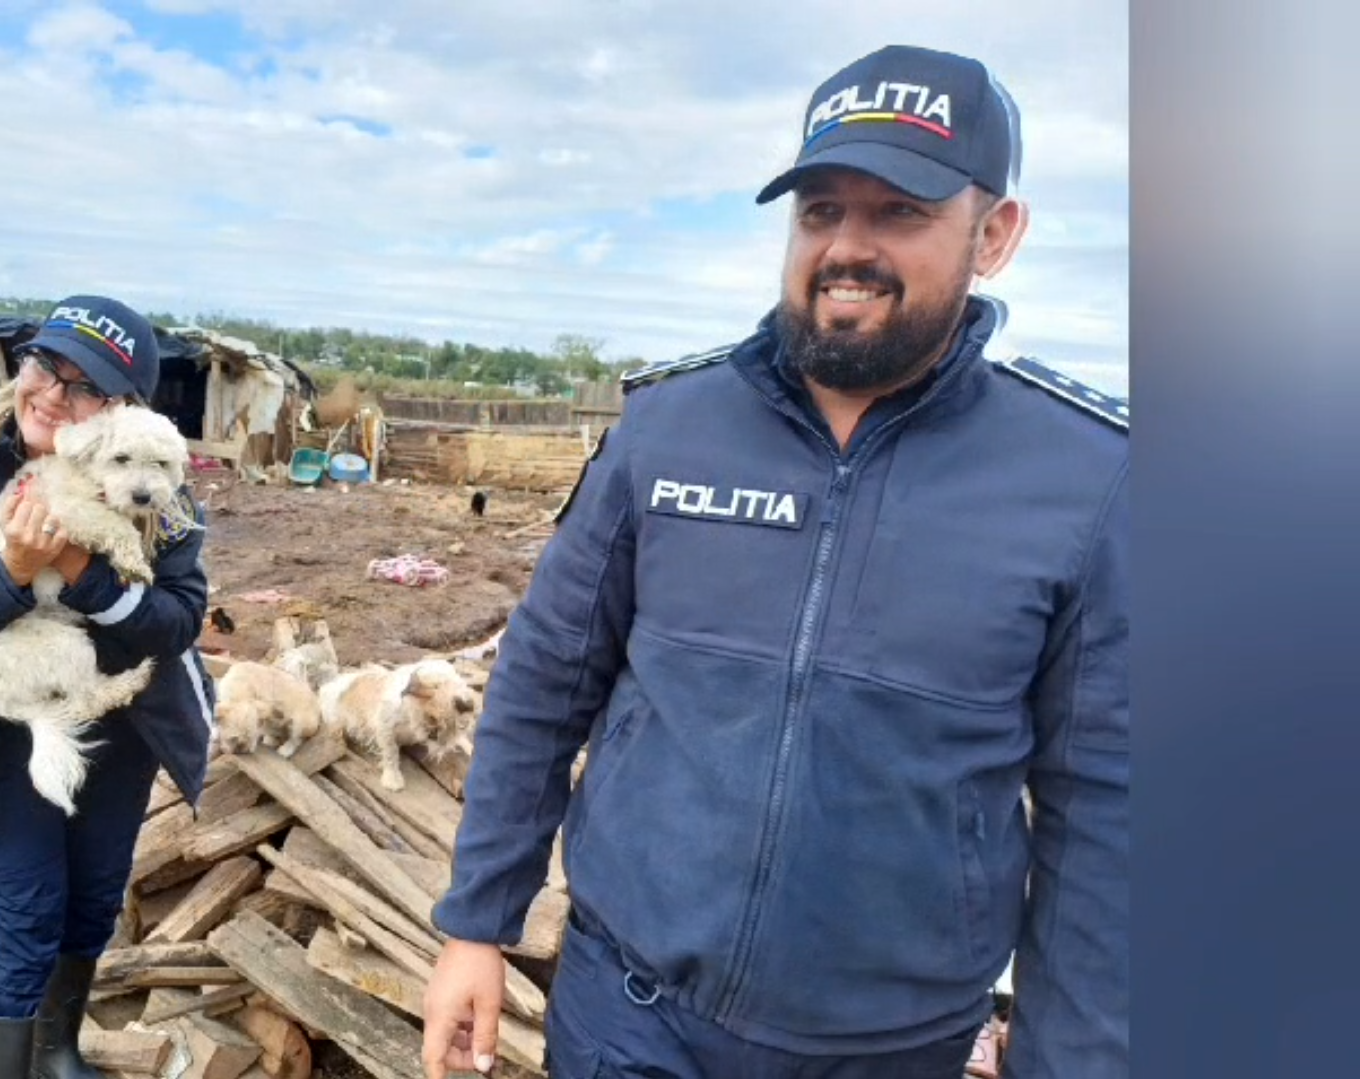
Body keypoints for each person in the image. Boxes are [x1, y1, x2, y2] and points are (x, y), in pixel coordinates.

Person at [422, 44, 1128, 1079]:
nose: (846, 245)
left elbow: (1106, 803)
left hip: (887, 1048)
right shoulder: (667, 427)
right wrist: (474, 922)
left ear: (995, 234)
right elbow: (542, 682)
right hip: (631, 1013)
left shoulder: (1083, 477)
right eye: (818, 210)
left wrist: (1073, 1057)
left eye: (898, 211)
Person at [0, 295, 217, 1079]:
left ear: (119, 407)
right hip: (2, 728)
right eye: (44, 367)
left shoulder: (150, 479)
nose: (54, 395)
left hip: (120, 721)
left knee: (94, 899)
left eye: (86, 385)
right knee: (28, 913)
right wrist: (11, 574)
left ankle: (58, 1052)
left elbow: (175, 622)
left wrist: (81, 574)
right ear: (20, 366)